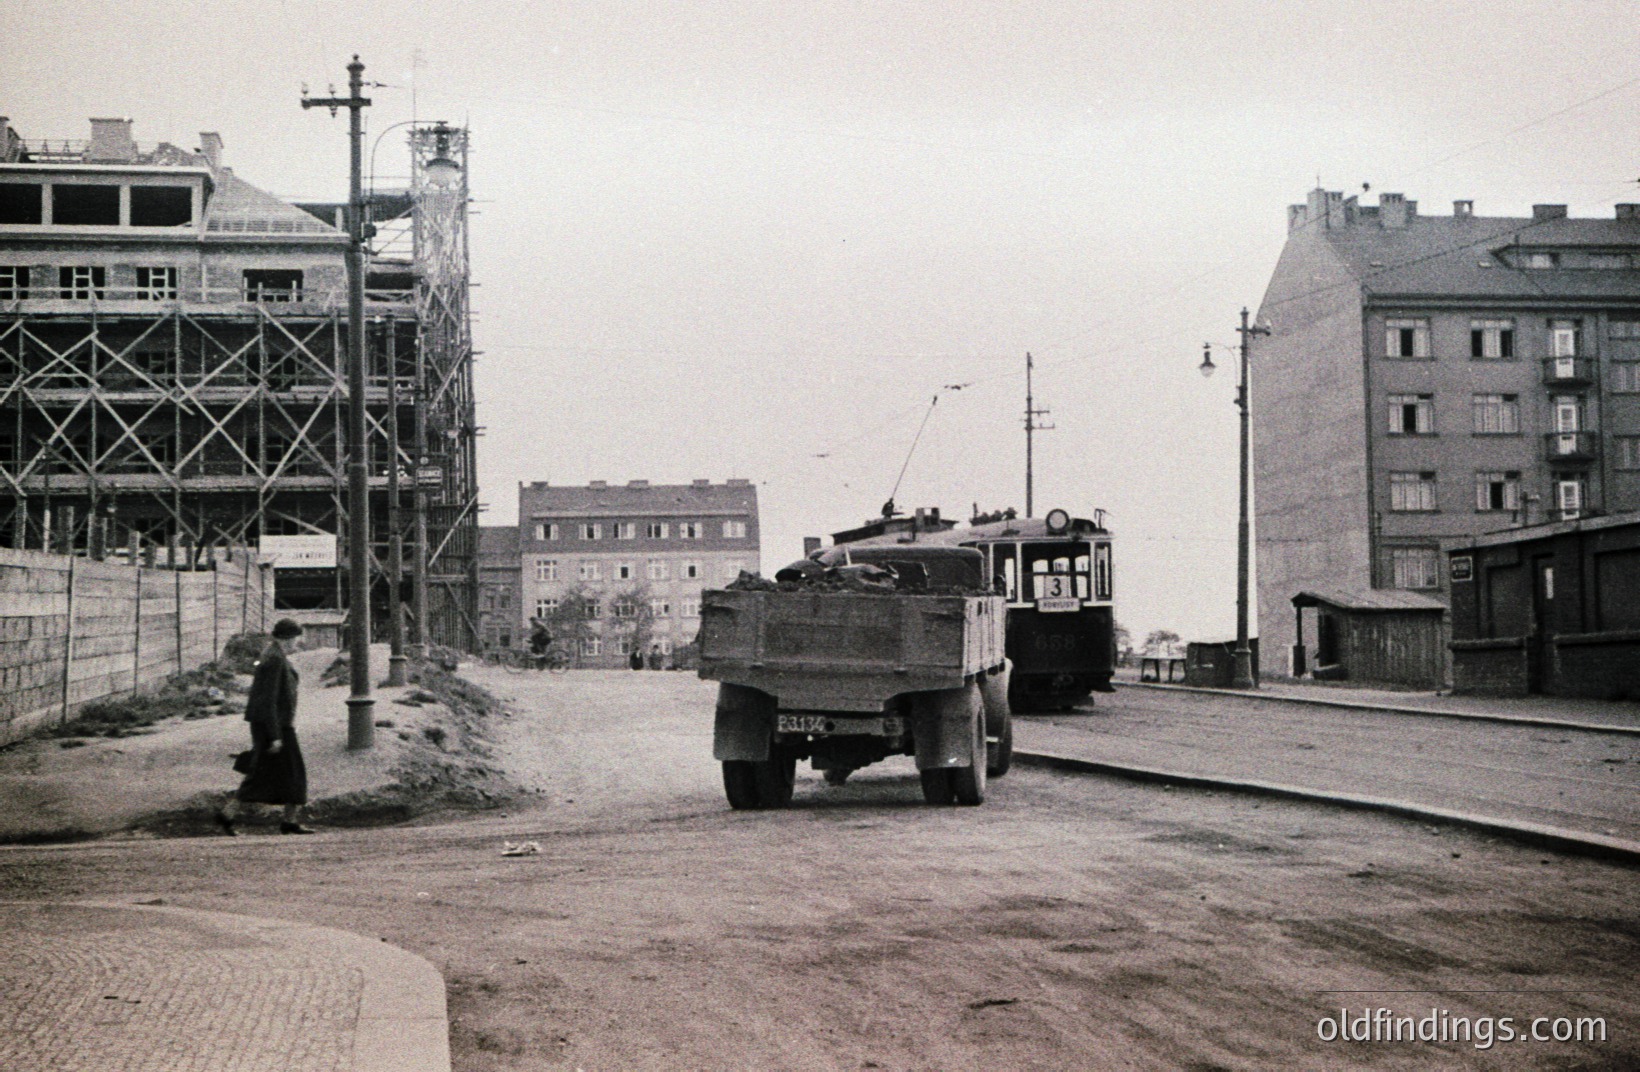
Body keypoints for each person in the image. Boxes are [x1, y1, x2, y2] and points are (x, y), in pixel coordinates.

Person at [220, 618, 312, 835]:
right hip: (273, 727)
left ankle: (287, 821)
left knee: (280, 773)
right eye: (296, 638)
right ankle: (228, 816)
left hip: (277, 725)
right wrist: (275, 735)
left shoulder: (274, 655)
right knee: (276, 774)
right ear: (288, 639)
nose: (297, 643)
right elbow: (268, 700)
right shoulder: (274, 660)